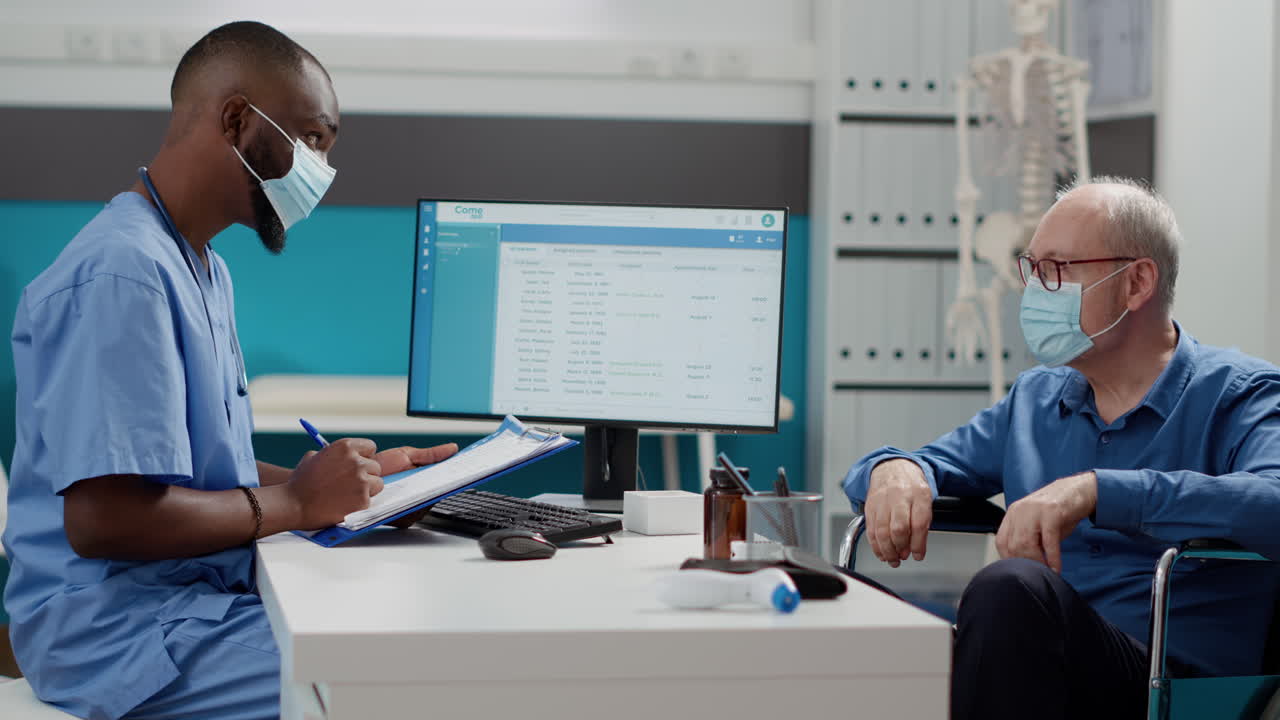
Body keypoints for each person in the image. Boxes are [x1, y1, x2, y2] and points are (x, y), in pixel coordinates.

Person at [2, 21, 458, 720]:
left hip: (183, 605)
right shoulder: (124, 273)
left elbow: (194, 471)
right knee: (391, 684)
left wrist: (356, 484)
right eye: (312, 139)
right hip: (117, 635)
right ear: (237, 120)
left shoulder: (200, 268)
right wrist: (300, 503)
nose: (321, 171)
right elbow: (104, 518)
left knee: (401, 642)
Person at [844, 176, 1280, 720]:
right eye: (1032, 269)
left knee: (1011, 589)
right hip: (1033, 664)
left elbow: (1272, 501)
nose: (1036, 292)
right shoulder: (1037, 397)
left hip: (1166, 685)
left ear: (1137, 282)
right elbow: (932, 463)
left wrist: (1098, 491)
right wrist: (894, 469)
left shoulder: (1242, 394)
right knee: (860, 627)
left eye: (1057, 270)